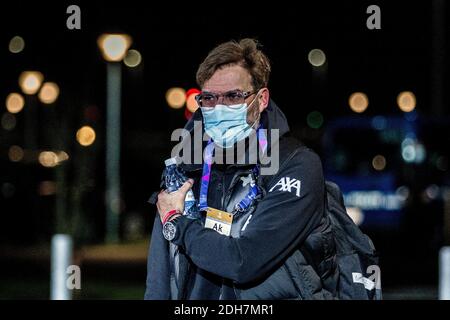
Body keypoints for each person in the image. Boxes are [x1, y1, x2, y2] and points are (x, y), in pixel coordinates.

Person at [145, 38, 338, 300]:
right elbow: (159, 279)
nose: (220, 107)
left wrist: (177, 224)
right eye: (209, 98)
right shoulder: (183, 169)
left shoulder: (296, 165)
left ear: (261, 100)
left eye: (234, 96)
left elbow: (244, 262)